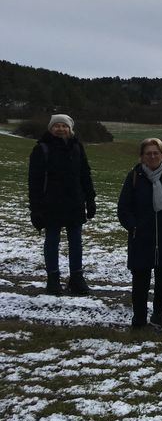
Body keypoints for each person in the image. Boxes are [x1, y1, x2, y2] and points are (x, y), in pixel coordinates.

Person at [117, 138, 162, 331]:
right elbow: (123, 208)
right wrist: (134, 227)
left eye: (156, 153)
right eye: (148, 153)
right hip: (141, 237)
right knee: (140, 280)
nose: (152, 156)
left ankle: (160, 314)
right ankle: (139, 320)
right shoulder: (134, 176)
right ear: (142, 157)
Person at [27, 114, 96, 296]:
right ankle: (53, 279)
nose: (60, 129)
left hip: (75, 202)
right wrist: (36, 209)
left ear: (70, 129)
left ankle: (76, 278)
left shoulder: (77, 147)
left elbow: (85, 174)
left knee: (76, 242)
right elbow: (34, 181)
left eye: (64, 126)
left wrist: (90, 199)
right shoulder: (41, 148)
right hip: (50, 203)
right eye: (56, 125)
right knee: (52, 241)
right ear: (51, 128)